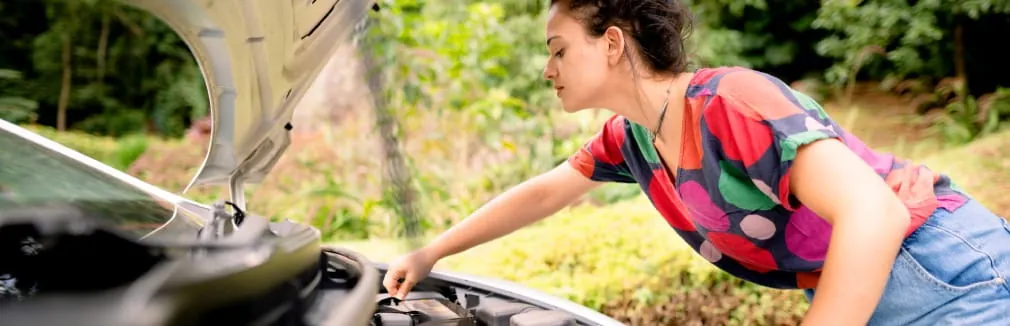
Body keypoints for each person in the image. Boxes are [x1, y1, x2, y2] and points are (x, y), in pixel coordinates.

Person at [382, 0, 1010, 324]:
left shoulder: (733, 101)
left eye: (557, 50)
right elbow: (543, 192)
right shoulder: (633, 138)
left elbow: (873, 213)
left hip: (943, 269)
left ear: (611, 43)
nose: (547, 70)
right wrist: (430, 252)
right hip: (875, 292)